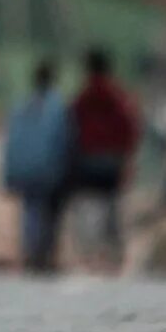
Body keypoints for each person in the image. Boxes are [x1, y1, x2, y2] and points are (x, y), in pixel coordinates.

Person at [68, 49, 140, 271]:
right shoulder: (118, 97)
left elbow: (72, 129)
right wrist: (127, 159)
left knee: (88, 208)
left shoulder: (82, 98)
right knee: (112, 208)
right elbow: (129, 129)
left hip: (88, 160)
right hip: (112, 160)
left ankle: (89, 254)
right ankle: (113, 254)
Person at [0, 59, 73, 274]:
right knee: (51, 213)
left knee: (30, 211)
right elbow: (64, 141)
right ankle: (46, 253)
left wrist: (9, 171)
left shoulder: (21, 106)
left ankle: (31, 251)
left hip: (25, 169)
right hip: (50, 169)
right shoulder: (58, 107)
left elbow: (11, 141)